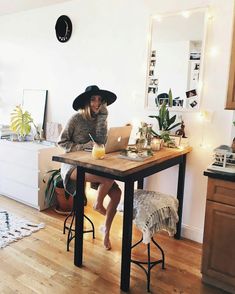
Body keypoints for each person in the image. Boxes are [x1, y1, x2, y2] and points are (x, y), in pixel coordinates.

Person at [58, 85, 121, 250]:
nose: (97, 103)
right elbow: (62, 142)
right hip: (72, 166)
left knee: (117, 193)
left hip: (93, 164)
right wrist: (84, 146)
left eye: (100, 100)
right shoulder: (75, 119)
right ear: (86, 101)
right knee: (107, 179)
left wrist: (103, 117)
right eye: (93, 99)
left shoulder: (100, 118)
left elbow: (101, 141)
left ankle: (106, 230)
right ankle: (98, 204)